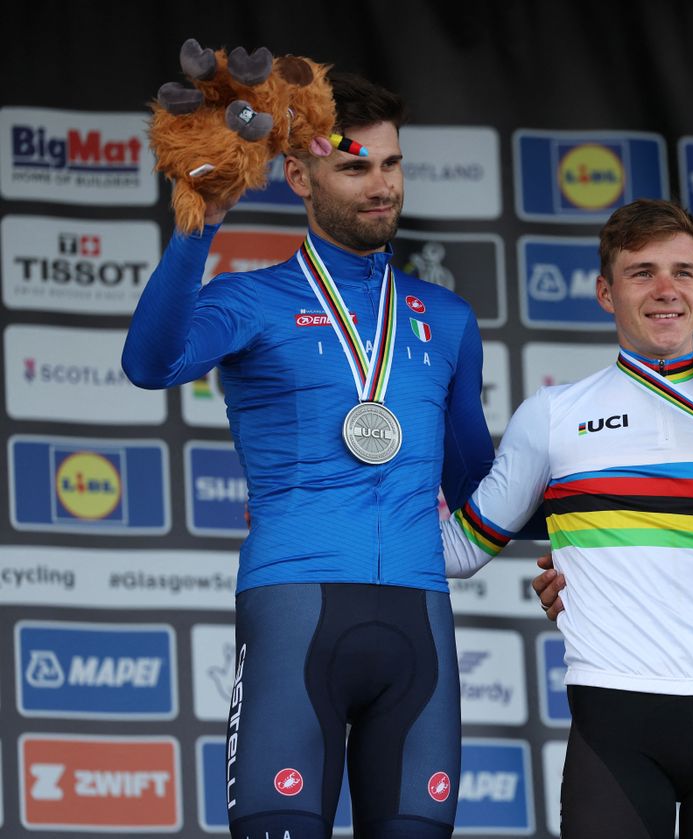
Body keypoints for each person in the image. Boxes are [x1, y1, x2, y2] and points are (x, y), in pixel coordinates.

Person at [123, 73, 493, 839]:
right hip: (295, 611)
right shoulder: (249, 301)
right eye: (356, 167)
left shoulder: (448, 320)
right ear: (300, 176)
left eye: (391, 164)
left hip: (420, 620)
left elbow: (480, 486)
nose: (381, 185)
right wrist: (200, 228)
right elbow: (149, 364)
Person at [442, 199, 693, 839]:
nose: (665, 290)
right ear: (605, 292)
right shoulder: (552, 414)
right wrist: (342, 514)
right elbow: (460, 552)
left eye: (683, 273)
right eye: (641, 272)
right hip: (615, 719)